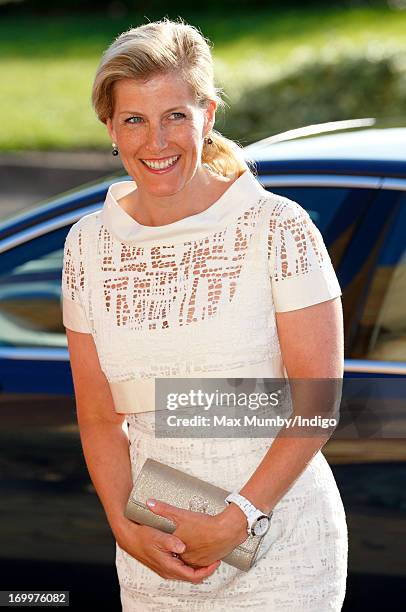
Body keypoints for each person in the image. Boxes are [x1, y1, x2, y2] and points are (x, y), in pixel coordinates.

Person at [61, 18, 348, 611]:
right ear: (111, 128)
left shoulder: (277, 228)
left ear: (208, 115)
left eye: (175, 116)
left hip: (281, 545)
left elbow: (316, 402)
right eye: (134, 120)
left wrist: (239, 517)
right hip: (155, 551)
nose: (156, 142)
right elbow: (97, 416)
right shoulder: (86, 246)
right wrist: (122, 523)